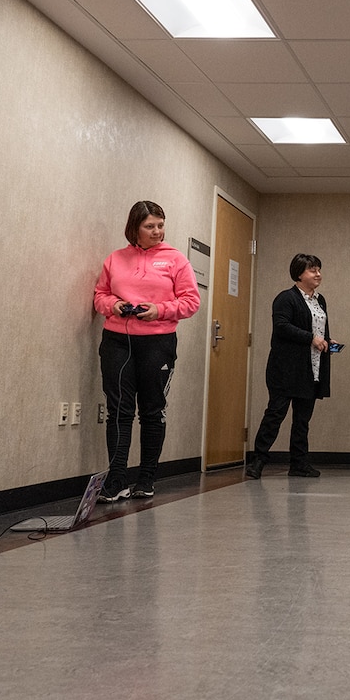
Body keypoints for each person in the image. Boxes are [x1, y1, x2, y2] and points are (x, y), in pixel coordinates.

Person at [93, 200, 200, 502]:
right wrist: (113, 305)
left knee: (152, 410)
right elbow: (100, 294)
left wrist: (160, 310)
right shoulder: (115, 259)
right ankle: (115, 481)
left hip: (158, 343)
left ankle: (146, 479)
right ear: (134, 229)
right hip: (117, 341)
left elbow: (191, 302)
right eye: (149, 226)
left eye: (161, 225)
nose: (157, 232)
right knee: (119, 411)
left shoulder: (176, 260)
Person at [245, 254, 334, 480]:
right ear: (299, 274)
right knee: (275, 414)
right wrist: (311, 338)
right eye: (312, 270)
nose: (318, 274)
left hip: (310, 368)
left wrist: (326, 340)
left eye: (319, 269)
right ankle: (258, 460)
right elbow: (282, 327)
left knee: (302, 419)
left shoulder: (319, 300)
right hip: (285, 369)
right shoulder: (286, 298)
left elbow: (318, 327)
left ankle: (299, 464)